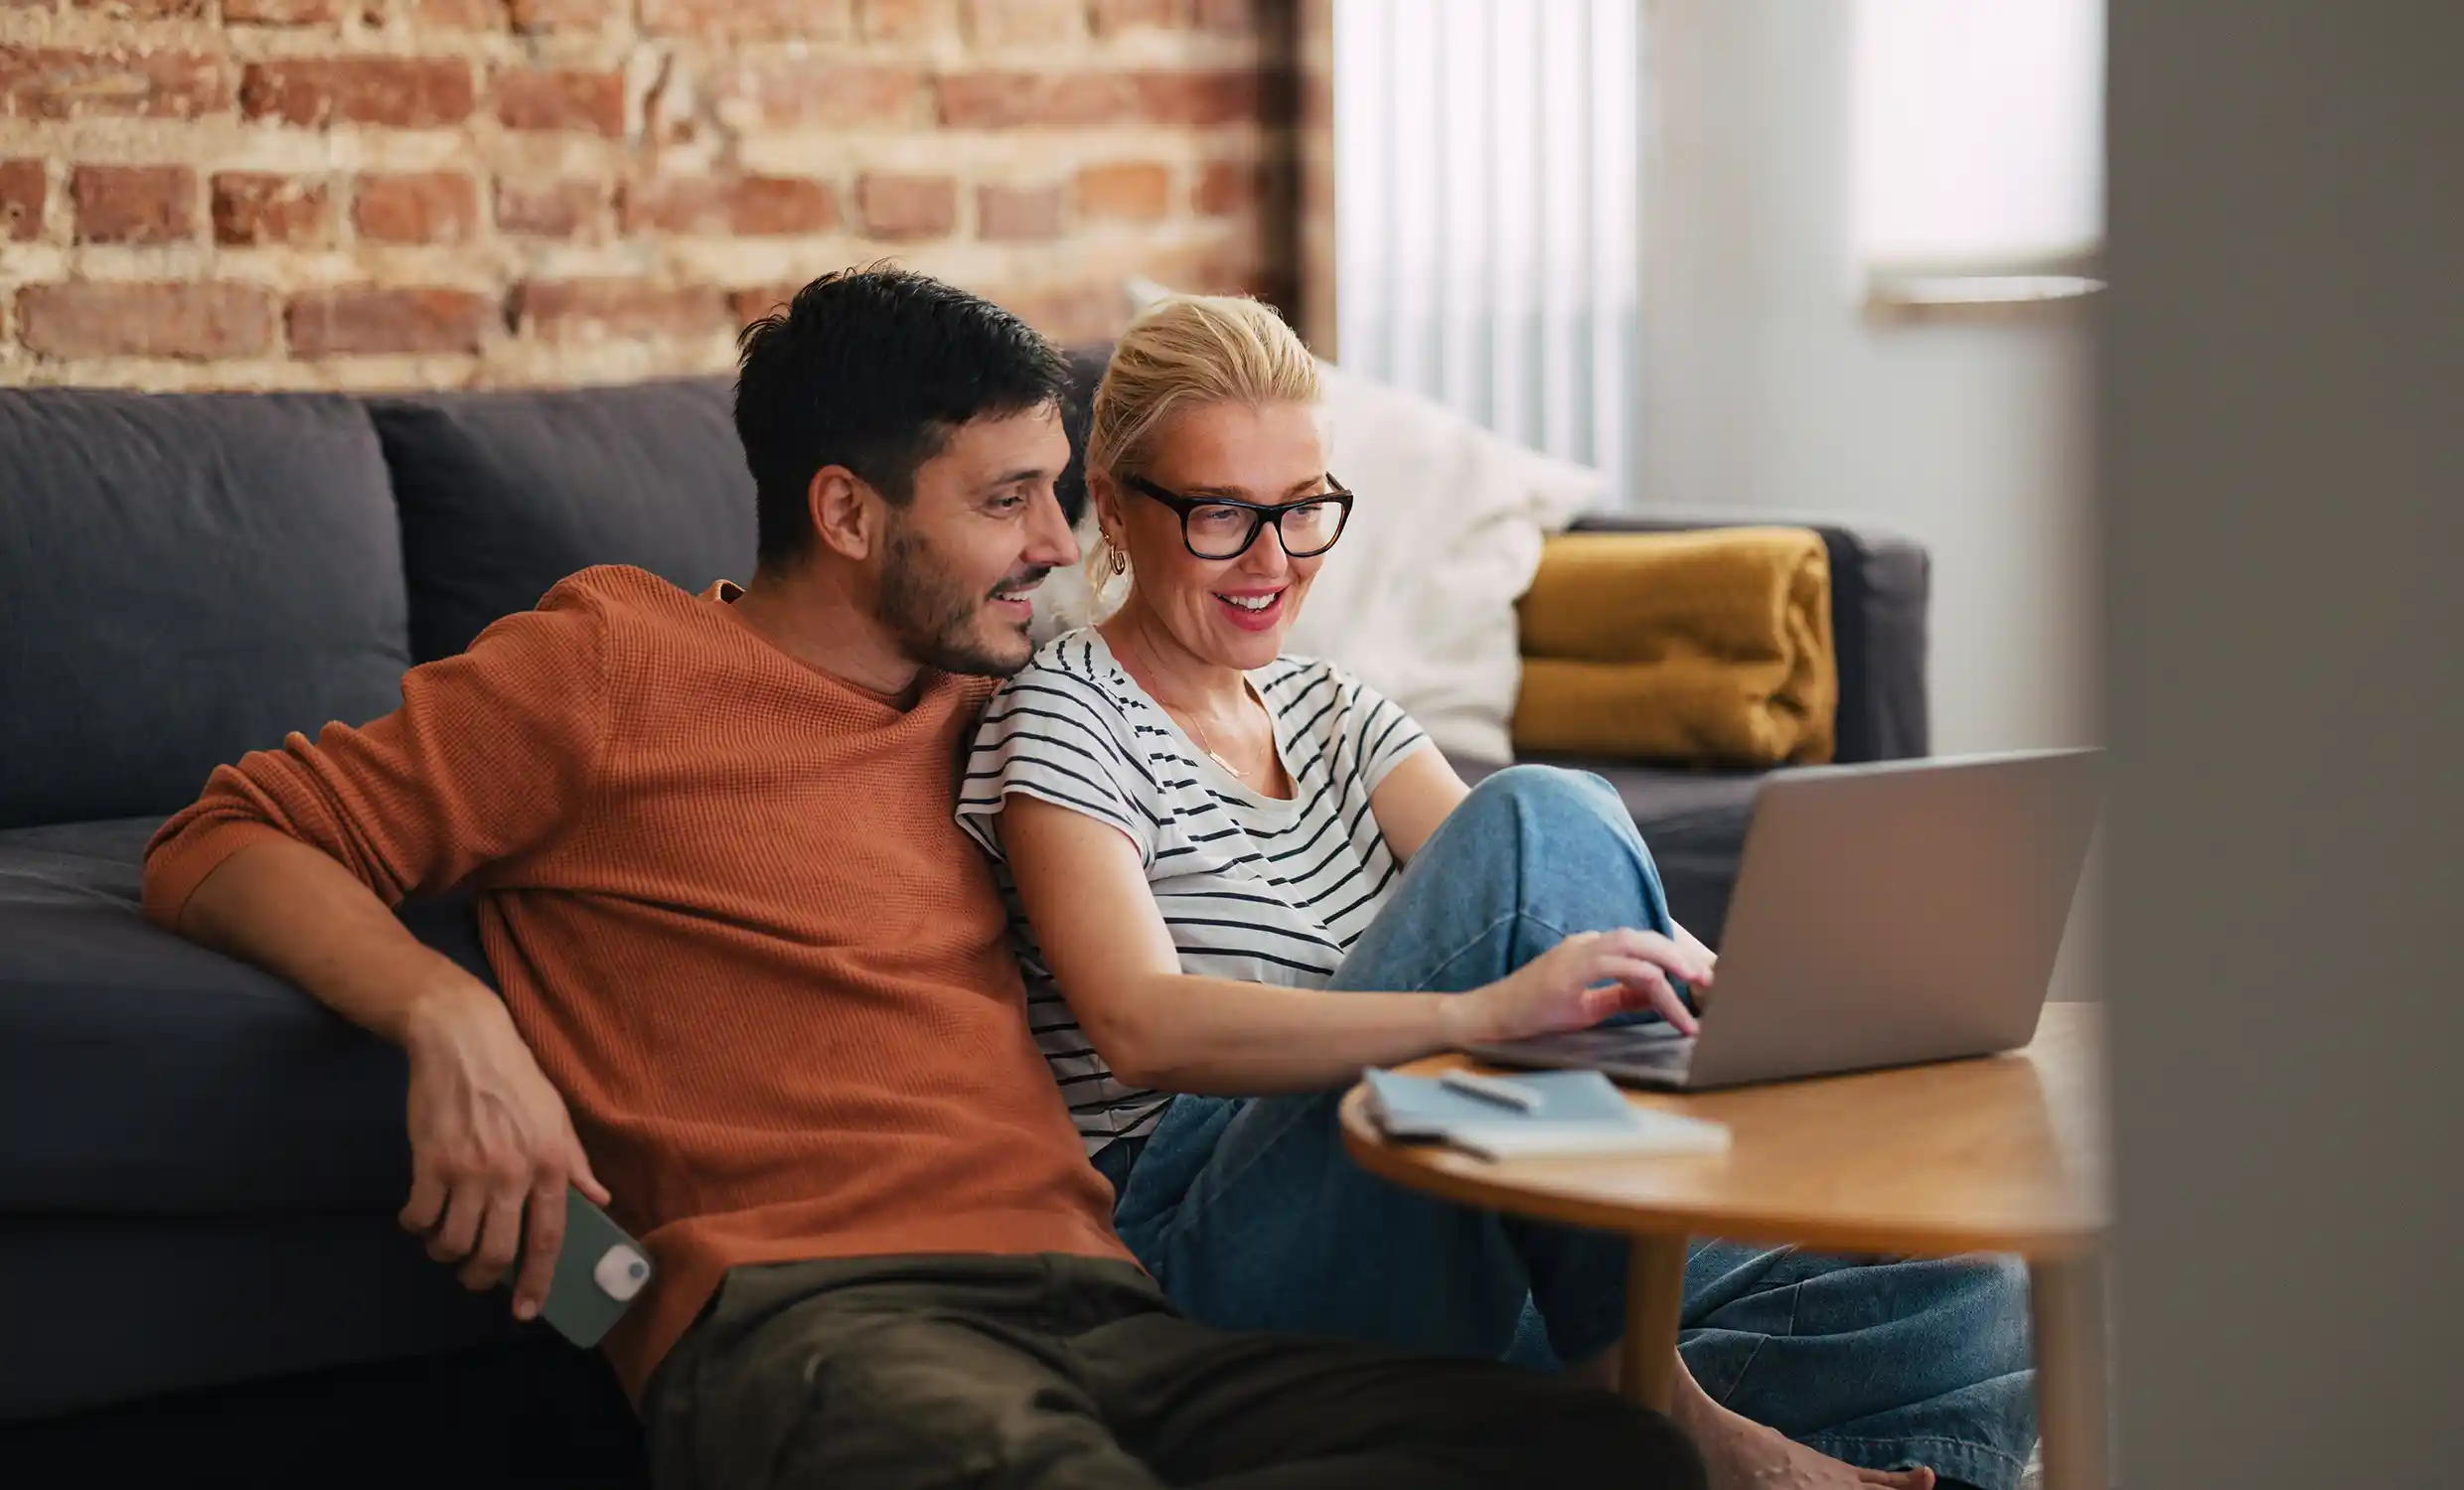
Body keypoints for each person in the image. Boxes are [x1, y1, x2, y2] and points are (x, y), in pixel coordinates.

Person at [140, 268, 1707, 1490]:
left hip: (1110, 1307)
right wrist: (450, 1020)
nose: (1058, 542)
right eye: (1007, 500)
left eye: (1058, 489)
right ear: (845, 512)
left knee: (1608, 1459)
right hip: (810, 1315)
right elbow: (224, 838)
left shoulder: (1015, 714)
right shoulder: (609, 666)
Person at [958, 294, 2039, 1490]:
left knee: (1963, 1289)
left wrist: (1777, 1012)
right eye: (1223, 516)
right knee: (1535, 804)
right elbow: (1138, 1025)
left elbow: (1578, 905)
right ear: (1113, 506)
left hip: (1459, 1189)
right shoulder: (1065, 708)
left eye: (1305, 510)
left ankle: (1605, 1424)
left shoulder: (1333, 710)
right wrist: (1478, 1017)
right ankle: (1658, 1408)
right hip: (1215, 1239)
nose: (1274, 562)